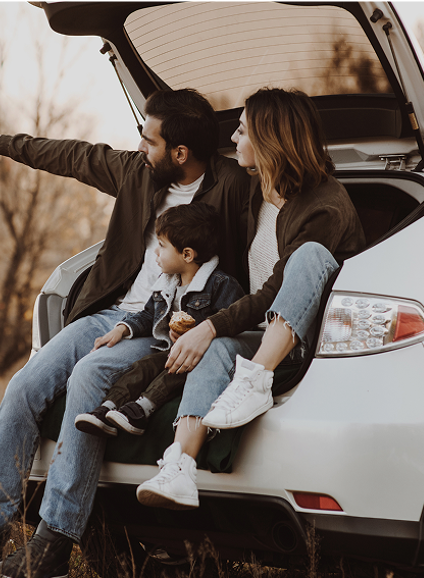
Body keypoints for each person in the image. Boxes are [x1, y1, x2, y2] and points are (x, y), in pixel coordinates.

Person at [0, 89, 251, 578]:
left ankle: (54, 545)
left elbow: (279, 207)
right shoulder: (138, 173)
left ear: (181, 153)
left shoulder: (232, 185)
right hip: (108, 315)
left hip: (165, 326)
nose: (139, 147)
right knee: (22, 387)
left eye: (149, 140)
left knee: (88, 376)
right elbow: (73, 156)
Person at [135, 88, 367, 510]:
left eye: (241, 131)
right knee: (217, 348)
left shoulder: (325, 206)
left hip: (302, 345)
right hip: (257, 336)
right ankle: (179, 466)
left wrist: (210, 325)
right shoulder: (256, 195)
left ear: (269, 140)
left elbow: (275, 289)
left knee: (309, 256)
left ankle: (254, 380)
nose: (234, 140)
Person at [74, 203, 244, 437]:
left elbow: (232, 325)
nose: (155, 252)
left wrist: (197, 334)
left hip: (198, 359)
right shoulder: (167, 284)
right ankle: (107, 409)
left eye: (162, 246)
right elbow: (147, 315)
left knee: (172, 373)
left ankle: (141, 410)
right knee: (143, 366)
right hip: (172, 351)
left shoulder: (221, 285)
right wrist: (122, 329)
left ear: (186, 254)